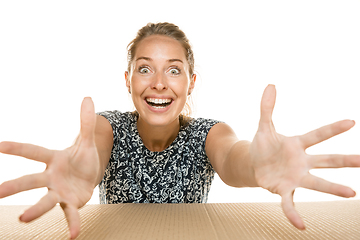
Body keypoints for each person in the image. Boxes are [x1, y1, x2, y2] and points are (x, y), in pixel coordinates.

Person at [0, 22, 359, 239]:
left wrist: (258, 165)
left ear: (191, 82)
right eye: (145, 69)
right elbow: (92, 154)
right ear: (128, 80)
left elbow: (236, 158)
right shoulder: (107, 125)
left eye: (173, 70)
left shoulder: (209, 132)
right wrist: (83, 172)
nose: (158, 84)